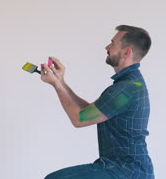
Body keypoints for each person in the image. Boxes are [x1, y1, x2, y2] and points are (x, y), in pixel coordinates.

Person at [40, 25, 154, 179]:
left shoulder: (126, 89)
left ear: (127, 52)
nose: (107, 47)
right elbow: (87, 110)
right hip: (121, 168)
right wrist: (60, 81)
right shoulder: (128, 84)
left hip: (126, 171)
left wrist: (56, 85)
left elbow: (79, 119)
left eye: (113, 43)